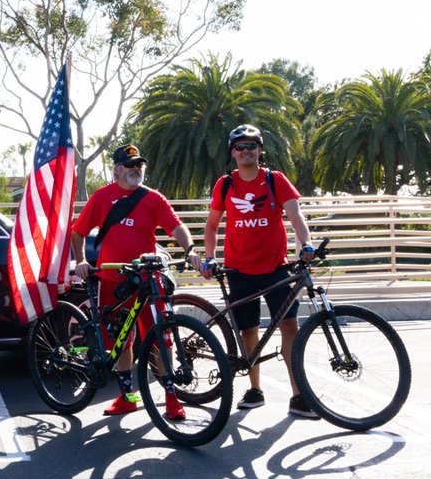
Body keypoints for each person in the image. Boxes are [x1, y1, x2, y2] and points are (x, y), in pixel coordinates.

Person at [71, 143, 202, 420]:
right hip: (112, 281)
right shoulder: (102, 197)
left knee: (161, 339)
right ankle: (127, 397)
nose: (136, 169)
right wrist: (81, 260)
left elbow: (176, 226)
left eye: (139, 164)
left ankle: (171, 399)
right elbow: (78, 231)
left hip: (147, 281)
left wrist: (190, 249)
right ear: (117, 169)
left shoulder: (153, 198)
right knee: (122, 340)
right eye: (130, 165)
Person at [201, 123, 319, 419]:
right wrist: (209, 258)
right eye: (239, 147)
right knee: (248, 330)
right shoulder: (225, 184)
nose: (245, 151)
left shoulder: (275, 180)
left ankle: (298, 395)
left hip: (275, 268)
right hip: (239, 269)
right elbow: (212, 226)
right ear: (233, 153)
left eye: (251, 145)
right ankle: (255, 389)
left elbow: (296, 215)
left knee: (289, 326)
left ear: (260, 150)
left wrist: (307, 243)